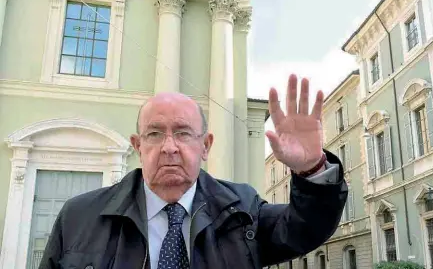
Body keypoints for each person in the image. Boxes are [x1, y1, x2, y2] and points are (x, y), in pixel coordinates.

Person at [38, 74, 347, 269]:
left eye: (184, 133)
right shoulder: (78, 216)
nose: (169, 147)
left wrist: (311, 169)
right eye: (155, 134)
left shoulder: (242, 210)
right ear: (138, 145)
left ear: (205, 146)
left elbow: (304, 230)